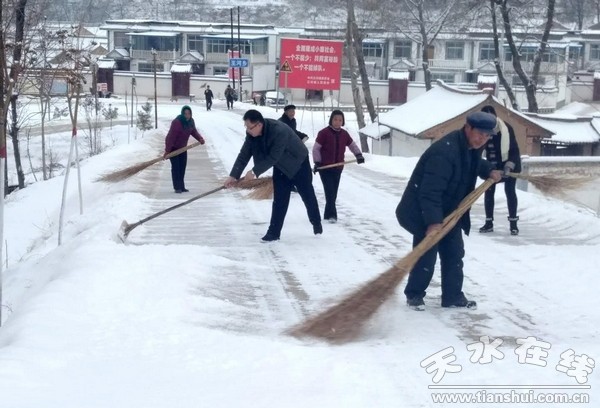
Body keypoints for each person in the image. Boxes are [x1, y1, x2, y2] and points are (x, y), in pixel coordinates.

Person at [396, 111, 503, 310]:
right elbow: (430, 191)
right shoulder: (445, 152)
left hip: (450, 211)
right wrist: (433, 222)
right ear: (468, 127)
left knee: (454, 253)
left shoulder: (469, 147)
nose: (483, 139)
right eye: (480, 133)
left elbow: (474, 164)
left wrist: (489, 170)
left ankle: (452, 296)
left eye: (487, 136)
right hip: (422, 210)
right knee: (426, 253)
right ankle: (414, 295)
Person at [224, 109, 322, 242]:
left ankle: (316, 222)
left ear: (259, 124)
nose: (247, 130)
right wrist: (233, 176)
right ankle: (273, 233)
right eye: (246, 127)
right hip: (281, 166)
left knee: (307, 194)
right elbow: (244, 154)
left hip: (298, 163)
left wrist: (254, 172)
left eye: (249, 127)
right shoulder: (252, 135)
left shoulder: (278, 131)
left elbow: (273, 156)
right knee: (280, 199)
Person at [312, 109, 364, 223]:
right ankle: (332, 216)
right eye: (335, 119)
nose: (337, 122)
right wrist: (317, 162)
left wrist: (358, 155)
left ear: (343, 121)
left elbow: (352, 145)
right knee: (330, 191)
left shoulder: (344, 134)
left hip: (338, 167)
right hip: (325, 168)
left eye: (340, 120)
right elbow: (316, 149)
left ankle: (327, 215)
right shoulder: (323, 133)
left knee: (333, 192)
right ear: (331, 120)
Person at [478, 105, 522, 235]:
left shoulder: (506, 129)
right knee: (489, 191)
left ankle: (513, 224)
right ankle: (489, 223)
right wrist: (481, 165)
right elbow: (479, 149)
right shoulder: (482, 129)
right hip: (492, 164)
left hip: (509, 164)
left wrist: (508, 166)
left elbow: (514, 150)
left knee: (510, 191)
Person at [164, 105, 205, 194]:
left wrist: (200, 139)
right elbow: (171, 137)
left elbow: (194, 132)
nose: (187, 115)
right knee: (176, 168)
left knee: (182, 167)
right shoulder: (177, 122)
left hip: (183, 148)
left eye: (189, 113)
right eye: (185, 113)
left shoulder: (191, 122)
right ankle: (177, 187)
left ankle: (182, 187)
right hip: (173, 148)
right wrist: (167, 151)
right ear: (182, 113)